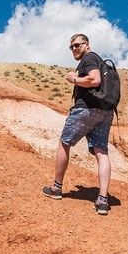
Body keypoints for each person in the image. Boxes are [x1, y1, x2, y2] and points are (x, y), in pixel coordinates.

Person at [42, 34, 113, 215]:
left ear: (86, 44)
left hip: (86, 109)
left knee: (65, 142)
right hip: (105, 112)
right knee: (101, 151)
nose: (74, 49)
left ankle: (56, 188)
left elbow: (94, 80)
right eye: (71, 46)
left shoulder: (89, 58)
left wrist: (74, 79)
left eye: (77, 45)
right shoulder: (98, 60)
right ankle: (102, 201)